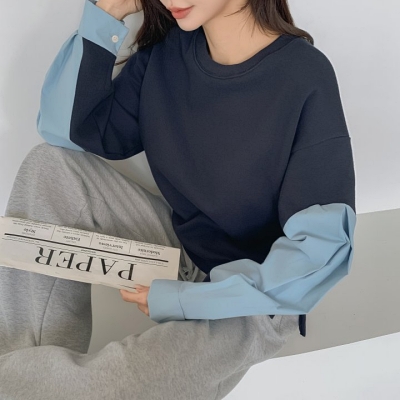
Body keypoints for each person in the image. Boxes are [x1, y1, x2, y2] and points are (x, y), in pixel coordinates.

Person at [0, 0, 356, 399]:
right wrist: (108, 12)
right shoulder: (166, 54)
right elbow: (64, 131)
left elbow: (318, 254)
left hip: (252, 301)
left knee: (115, 382)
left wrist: (186, 301)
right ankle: (17, 365)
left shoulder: (304, 74)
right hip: (182, 250)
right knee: (50, 167)